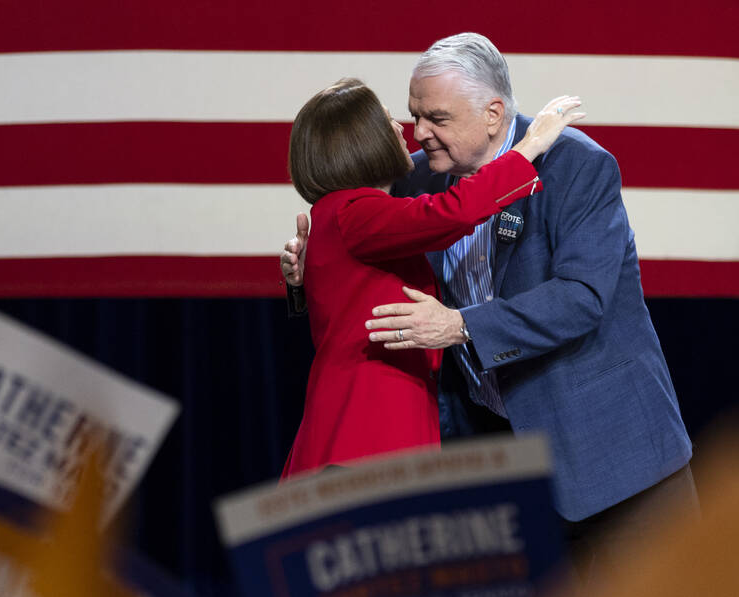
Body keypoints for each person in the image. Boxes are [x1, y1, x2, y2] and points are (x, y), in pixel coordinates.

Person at [281, 34, 698, 557]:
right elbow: (353, 253)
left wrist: (460, 326)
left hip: (612, 463)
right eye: (414, 116)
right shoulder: (412, 178)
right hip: (495, 468)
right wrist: (305, 273)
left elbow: (581, 297)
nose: (419, 134)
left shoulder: (576, 167)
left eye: (437, 118)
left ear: (494, 114)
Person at [277, 77, 583, 597]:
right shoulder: (353, 210)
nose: (405, 129)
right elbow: (445, 215)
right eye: (389, 120)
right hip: (365, 456)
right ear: (353, 142)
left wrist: (296, 283)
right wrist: (527, 151)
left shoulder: (339, 221)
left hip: (378, 448)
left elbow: (342, 304)